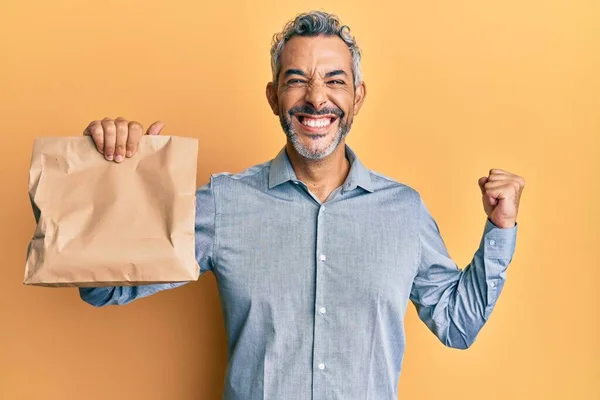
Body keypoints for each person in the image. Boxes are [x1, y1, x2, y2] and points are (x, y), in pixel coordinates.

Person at [79, 10, 525, 400]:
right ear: (274, 97)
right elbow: (104, 288)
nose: (316, 97)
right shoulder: (226, 203)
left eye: (335, 80)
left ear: (358, 98)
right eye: (297, 80)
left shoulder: (403, 212)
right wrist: (103, 177)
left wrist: (500, 229)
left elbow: (457, 325)